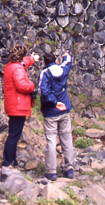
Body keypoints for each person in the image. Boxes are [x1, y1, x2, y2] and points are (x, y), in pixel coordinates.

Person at [38, 50, 75, 181]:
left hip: (51, 111)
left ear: (44, 63)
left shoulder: (45, 73)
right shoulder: (62, 70)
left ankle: (51, 172)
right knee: (67, 139)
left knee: (51, 140)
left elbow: (44, 91)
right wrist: (66, 55)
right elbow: (68, 62)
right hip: (65, 109)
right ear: (55, 61)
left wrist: (54, 103)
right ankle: (69, 168)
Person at [2, 45, 39, 168]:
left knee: (13, 133)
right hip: (18, 106)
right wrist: (32, 85)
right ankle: (8, 162)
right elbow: (22, 86)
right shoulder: (17, 69)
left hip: (13, 105)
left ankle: (11, 160)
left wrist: (31, 59)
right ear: (22, 56)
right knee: (14, 135)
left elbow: (23, 64)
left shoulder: (10, 67)